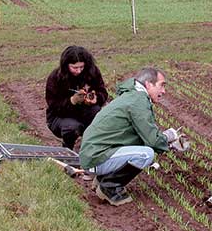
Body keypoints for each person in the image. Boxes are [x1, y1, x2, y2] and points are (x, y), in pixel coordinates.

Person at [79, 67, 186, 206]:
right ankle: (109, 187)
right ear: (148, 84)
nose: (164, 91)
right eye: (161, 85)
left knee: (141, 147)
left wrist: (166, 140)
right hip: (95, 157)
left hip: (93, 153)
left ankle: (102, 179)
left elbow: (142, 136)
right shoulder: (138, 101)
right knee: (146, 154)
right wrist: (168, 138)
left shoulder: (132, 95)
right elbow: (152, 140)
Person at [45, 46, 108, 150]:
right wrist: (72, 101)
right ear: (66, 65)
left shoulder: (92, 72)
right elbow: (53, 105)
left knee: (98, 114)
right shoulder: (55, 78)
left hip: (86, 113)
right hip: (60, 117)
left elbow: (103, 92)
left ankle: (92, 148)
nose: (78, 71)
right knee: (72, 127)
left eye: (81, 67)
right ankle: (68, 150)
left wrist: (96, 98)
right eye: (74, 68)